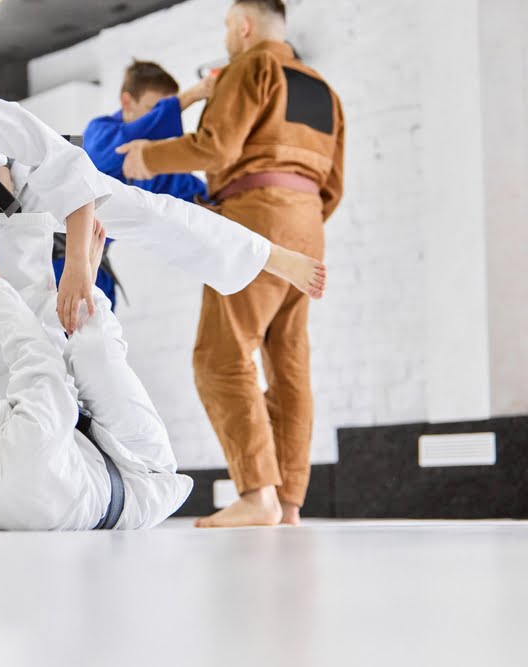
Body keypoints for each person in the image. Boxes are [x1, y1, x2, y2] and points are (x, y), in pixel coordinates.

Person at [0, 85, 326, 522]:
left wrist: (76, 265)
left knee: (140, 212)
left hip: (33, 182)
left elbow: (69, 171)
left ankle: (266, 254)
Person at [117, 0, 345, 527]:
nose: (226, 36)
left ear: (244, 26)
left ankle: (256, 494)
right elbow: (334, 185)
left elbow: (216, 147)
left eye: (226, 26)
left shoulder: (251, 67)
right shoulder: (324, 91)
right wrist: (298, 217)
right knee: (289, 367)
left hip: (256, 219)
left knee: (220, 357)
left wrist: (146, 156)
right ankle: (288, 502)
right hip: (309, 226)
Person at [0, 231, 190, 532]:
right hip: (141, 473)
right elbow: (35, 354)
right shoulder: (29, 443)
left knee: (22, 384)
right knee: (91, 351)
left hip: (72, 462)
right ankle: (88, 284)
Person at [83, 59, 214, 202]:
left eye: (165, 108)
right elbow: (121, 142)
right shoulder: (98, 132)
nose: (160, 117)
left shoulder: (154, 153)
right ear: (127, 101)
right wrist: (189, 96)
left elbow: (189, 189)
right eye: (154, 110)